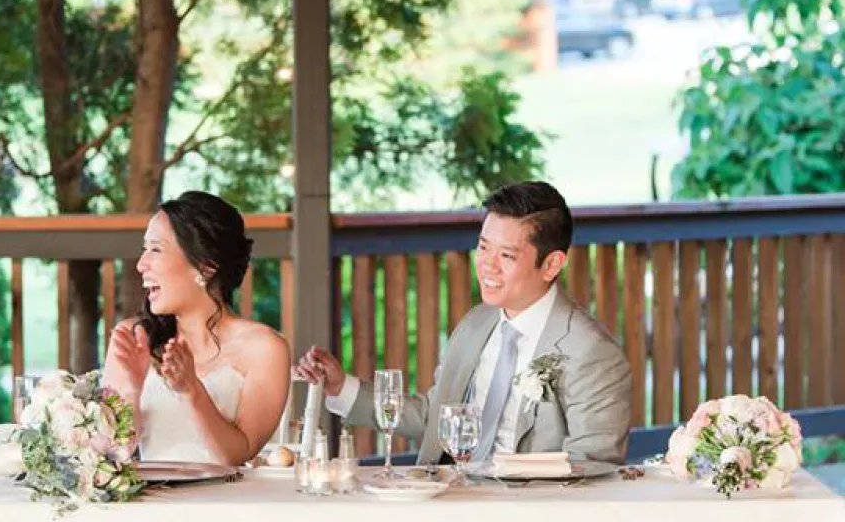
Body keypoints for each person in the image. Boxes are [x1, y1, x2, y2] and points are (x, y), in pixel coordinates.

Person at [296, 181, 632, 464]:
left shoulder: (591, 352)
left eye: (507, 255)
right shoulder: (477, 323)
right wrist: (341, 387)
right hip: (447, 497)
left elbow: (591, 469)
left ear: (551, 264)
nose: (487, 265)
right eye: (483, 248)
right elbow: (435, 416)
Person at [103, 191, 290, 466]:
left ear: (205, 266)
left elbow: (238, 454)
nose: (142, 265)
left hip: (227, 505)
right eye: (144, 250)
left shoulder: (265, 348)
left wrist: (192, 390)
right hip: (147, 505)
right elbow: (111, 454)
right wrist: (132, 388)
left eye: (155, 249)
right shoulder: (134, 338)